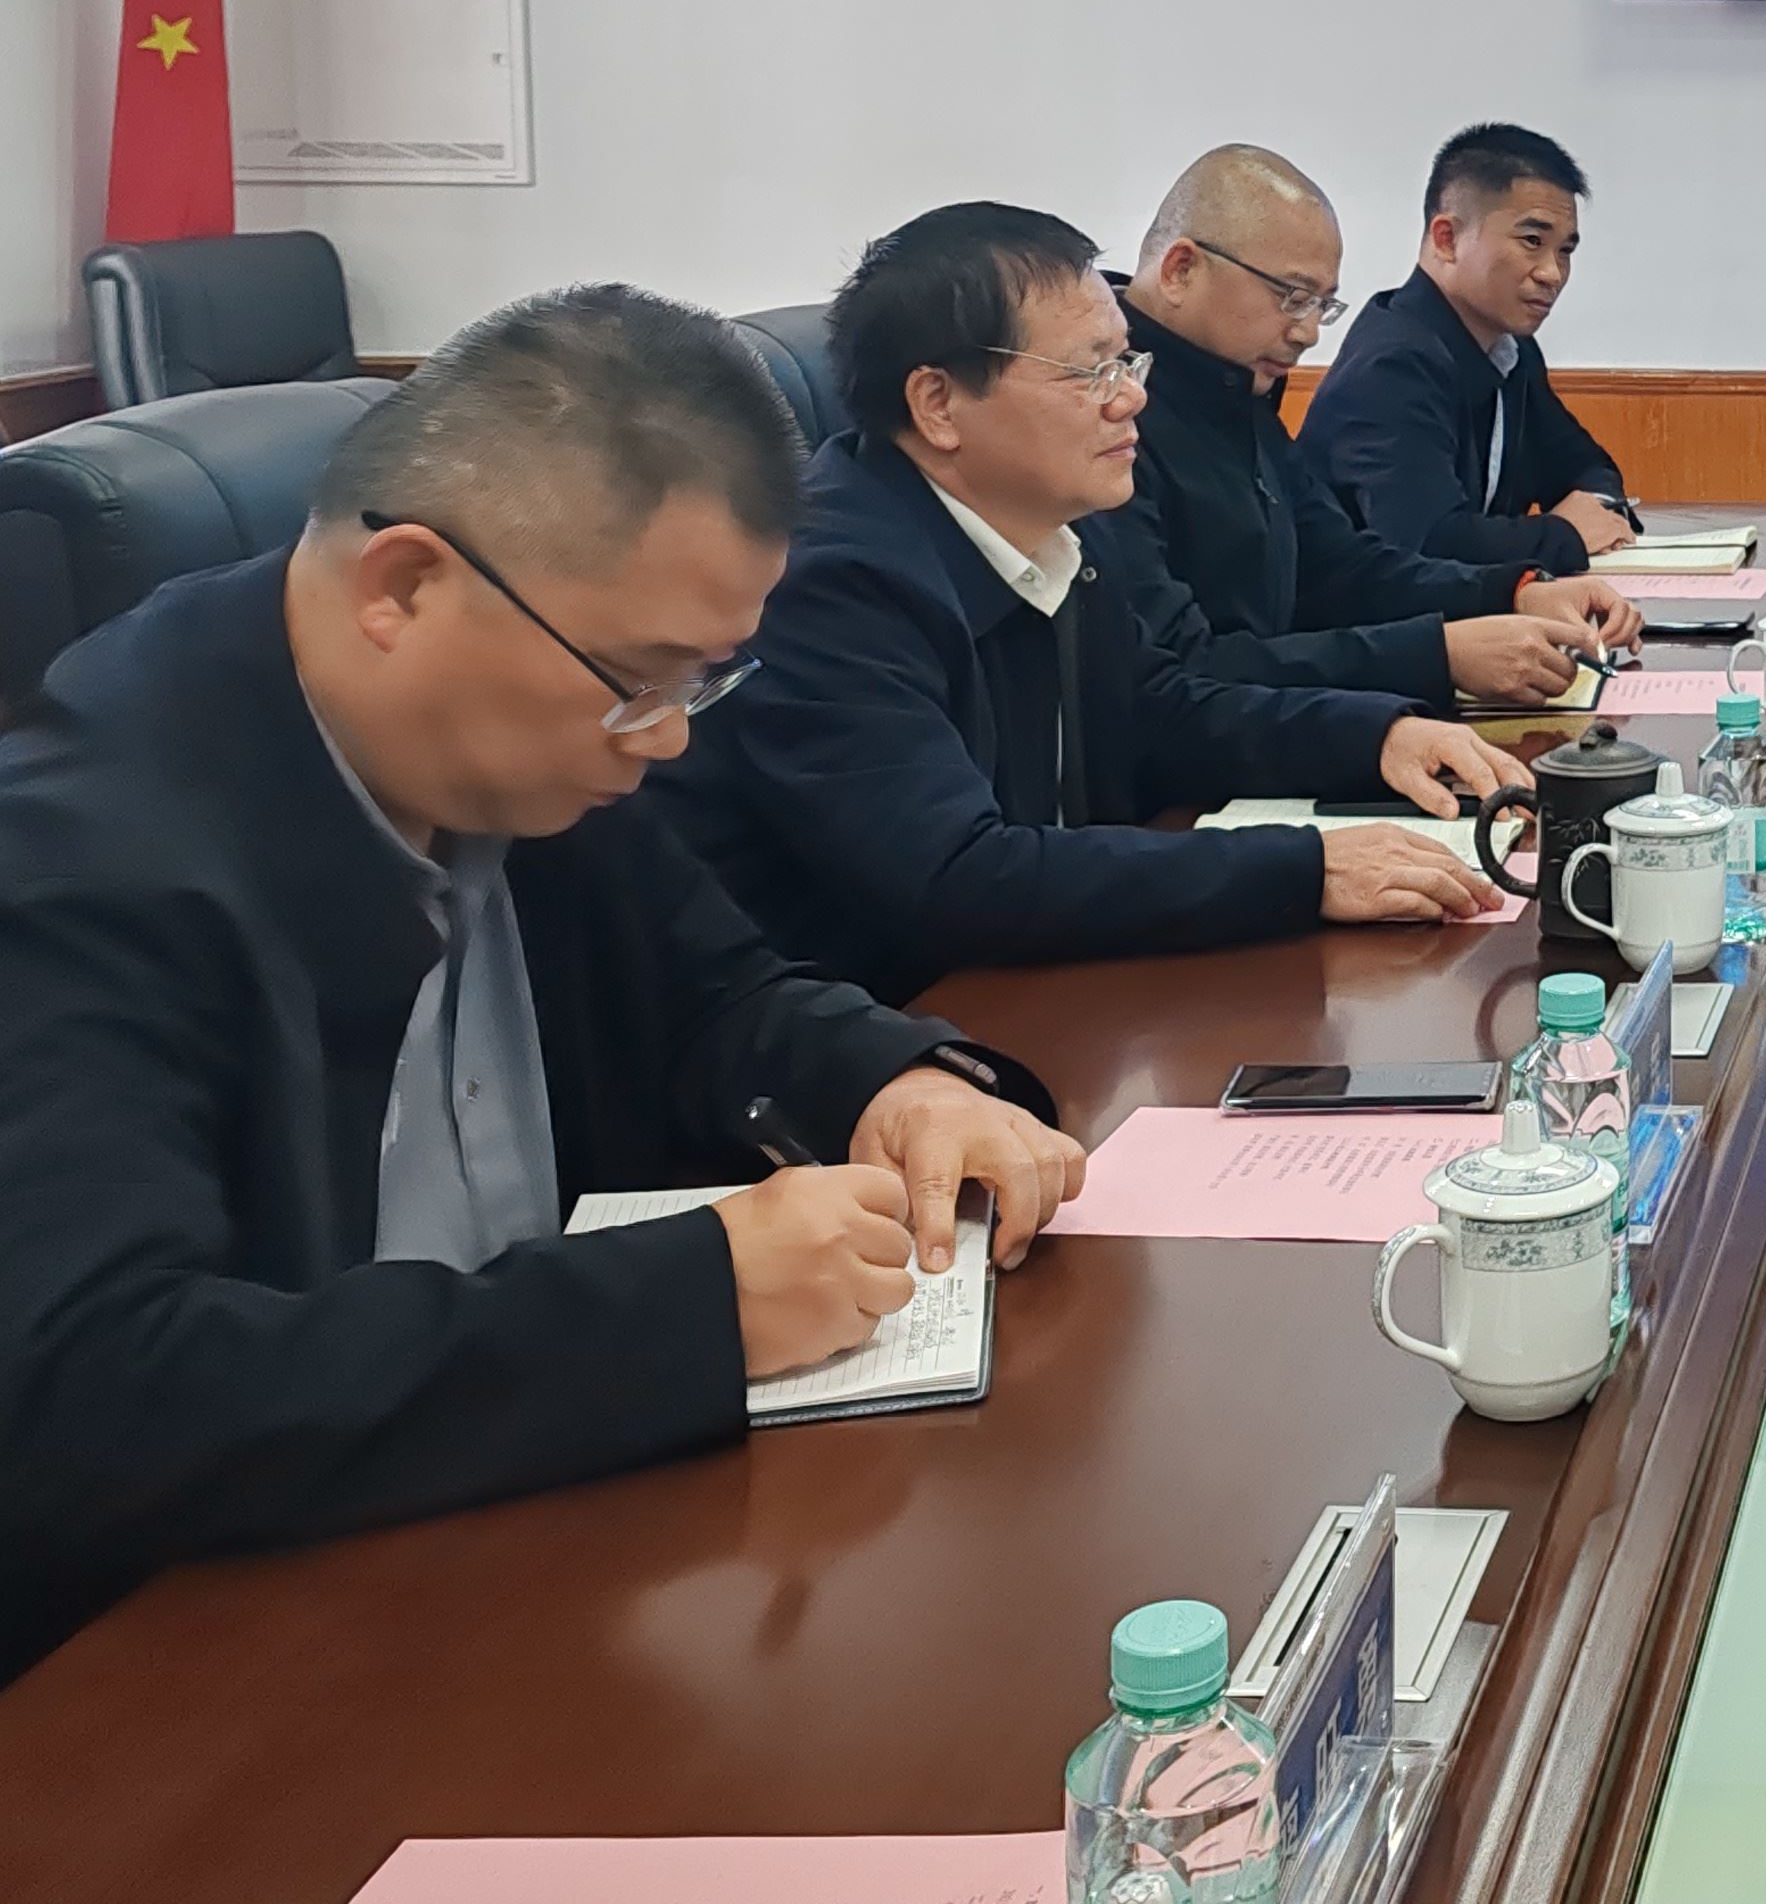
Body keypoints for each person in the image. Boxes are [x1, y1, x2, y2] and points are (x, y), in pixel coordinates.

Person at [0, 287, 1084, 1684]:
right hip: (210, 1669)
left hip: (523, 1546)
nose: (670, 738)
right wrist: (694, 1304)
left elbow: (718, 997)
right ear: (403, 587)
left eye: (701, 680)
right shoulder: (81, 864)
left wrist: (899, 1081)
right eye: (643, 680)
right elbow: (93, 1396)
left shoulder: (527, 739)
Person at [653, 204, 1526, 1004]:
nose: (1133, 395)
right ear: (938, 403)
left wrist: (1376, 737)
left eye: (1127, 360)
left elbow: (1160, 712)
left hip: (1035, 995)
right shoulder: (831, 582)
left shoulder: (1058, 528)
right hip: (883, 1044)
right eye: (1090, 370)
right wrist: (1305, 872)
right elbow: (958, 879)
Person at [1100, 144, 1644, 708]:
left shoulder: (1237, 389)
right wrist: (1435, 655)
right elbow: (1181, 673)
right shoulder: (1110, 417)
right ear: (1181, 269)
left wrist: (1515, 591)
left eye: (1322, 305)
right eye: (1293, 297)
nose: (1309, 333)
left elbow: (1340, 566)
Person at [1299, 123, 1638, 580]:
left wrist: (1598, 511)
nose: (1552, 274)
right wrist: (1566, 535)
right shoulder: (1392, 366)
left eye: (1565, 251)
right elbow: (1428, 544)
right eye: (1532, 242)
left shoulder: (1512, 352)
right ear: (1446, 239)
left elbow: (1585, 467)